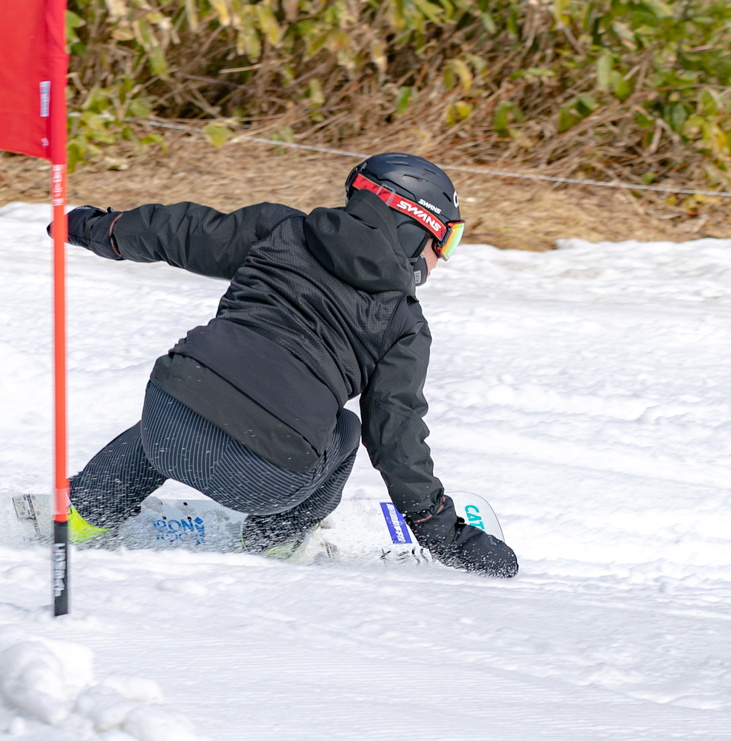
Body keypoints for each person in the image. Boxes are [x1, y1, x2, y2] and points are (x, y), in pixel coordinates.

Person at [57, 153, 517, 577]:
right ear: (414, 228)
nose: (443, 258)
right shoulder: (403, 323)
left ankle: (86, 513)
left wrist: (92, 228)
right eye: (446, 241)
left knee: (196, 385)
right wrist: (442, 534)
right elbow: (395, 438)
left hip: (165, 424)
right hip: (266, 481)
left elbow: (182, 231)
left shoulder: (280, 230)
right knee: (348, 431)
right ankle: (273, 540)